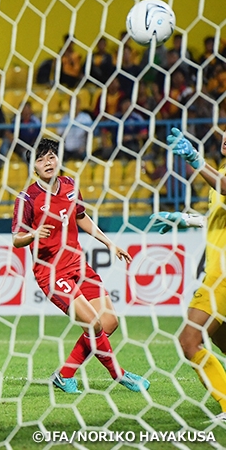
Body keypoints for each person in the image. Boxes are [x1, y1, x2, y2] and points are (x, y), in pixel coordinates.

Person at [12, 138, 150, 394]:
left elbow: (81, 217)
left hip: (78, 265)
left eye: (51, 157)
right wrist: (33, 234)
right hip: (50, 272)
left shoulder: (70, 186)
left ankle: (64, 375)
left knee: (108, 322)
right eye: (41, 160)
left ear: (59, 159)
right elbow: (16, 239)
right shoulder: (26, 199)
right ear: (34, 168)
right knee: (93, 324)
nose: (47, 163)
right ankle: (120, 375)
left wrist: (109, 243)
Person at [150, 127, 226, 422]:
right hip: (218, 273)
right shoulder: (219, 171)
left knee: (189, 340)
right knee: (220, 340)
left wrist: (194, 159)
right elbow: (217, 215)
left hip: (221, 277)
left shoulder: (218, 177)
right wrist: (187, 219)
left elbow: (224, 187)